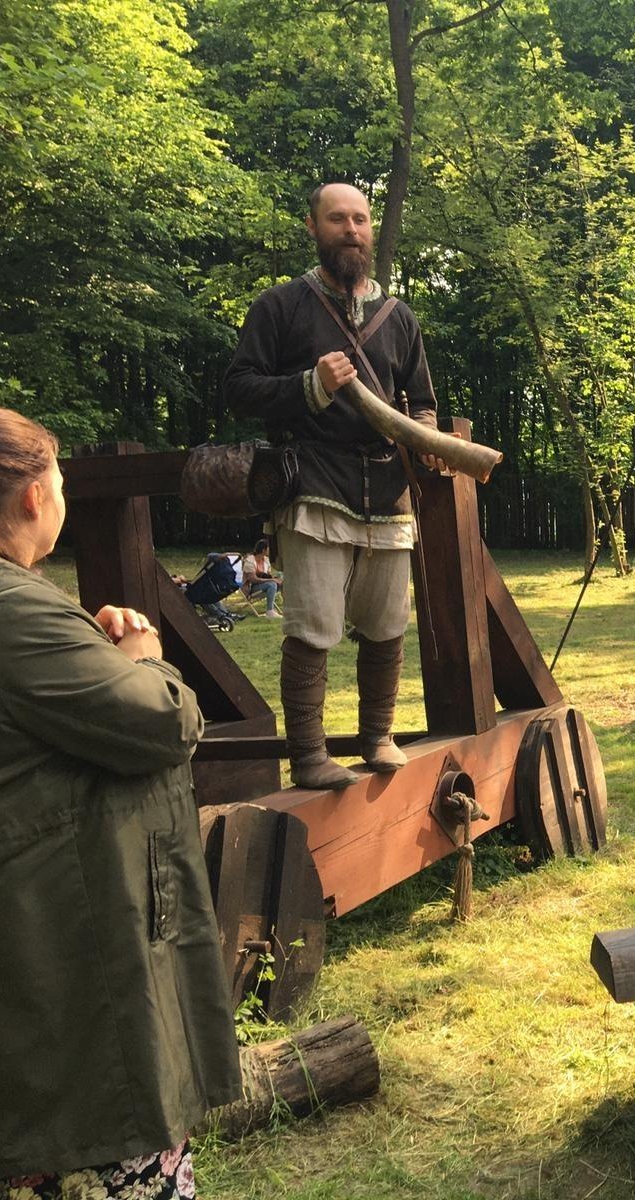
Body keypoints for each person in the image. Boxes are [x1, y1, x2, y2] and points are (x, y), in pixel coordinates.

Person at [0, 408, 241, 1196]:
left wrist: (90, 648)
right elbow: (164, 723)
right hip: (67, 953)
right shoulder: (14, 611)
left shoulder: (27, 607)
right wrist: (145, 661)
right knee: (111, 1148)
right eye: (60, 476)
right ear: (35, 497)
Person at [224, 181, 441, 789]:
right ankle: (311, 756)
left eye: (361, 220)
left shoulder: (401, 319)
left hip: (387, 490)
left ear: (371, 231)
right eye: (338, 219)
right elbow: (238, 386)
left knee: (385, 621)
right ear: (314, 227)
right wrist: (307, 385)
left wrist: (424, 440)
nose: (351, 229)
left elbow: (421, 404)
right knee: (314, 623)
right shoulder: (282, 306)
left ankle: (378, 737)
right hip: (313, 481)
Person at [243, 537, 282, 618]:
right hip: (251, 588)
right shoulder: (250, 561)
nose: (270, 550)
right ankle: (270, 611)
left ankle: (288, 607)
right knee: (272, 584)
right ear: (264, 550)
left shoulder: (266, 560)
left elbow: (267, 575)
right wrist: (272, 579)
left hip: (262, 585)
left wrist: (276, 578)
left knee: (281, 582)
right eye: (268, 548)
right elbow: (253, 579)